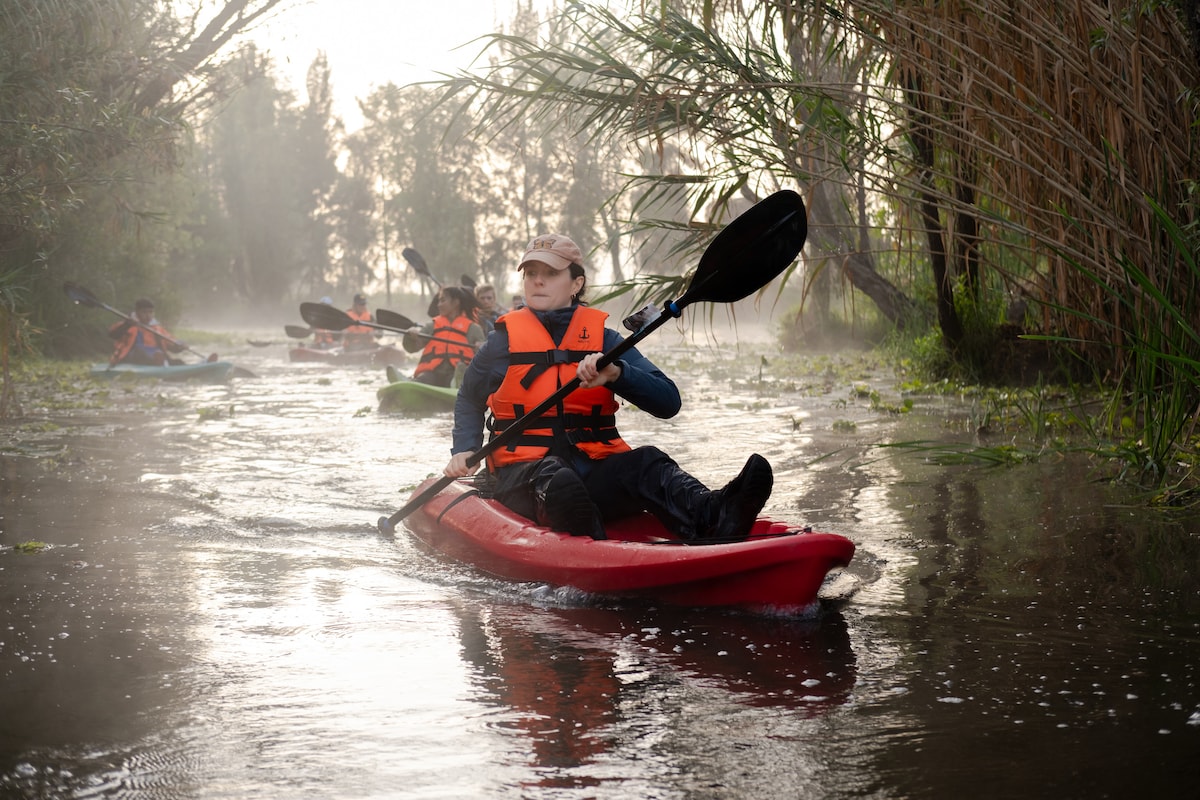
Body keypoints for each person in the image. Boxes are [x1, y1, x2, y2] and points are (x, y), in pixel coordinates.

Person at [442, 233, 773, 543]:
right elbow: (470, 399)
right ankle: (593, 545)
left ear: (576, 283)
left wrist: (617, 373)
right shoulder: (501, 343)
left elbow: (668, 401)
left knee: (648, 463)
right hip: (521, 478)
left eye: (551, 273)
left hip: (591, 473)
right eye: (531, 273)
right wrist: (465, 447)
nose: (538, 280)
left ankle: (716, 514)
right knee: (558, 480)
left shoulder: (605, 341)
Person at [403, 286, 485, 387]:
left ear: (456, 302)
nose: (438, 305)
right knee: (425, 378)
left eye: (442, 300)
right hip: (432, 372)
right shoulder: (432, 326)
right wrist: (410, 337)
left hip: (455, 372)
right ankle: (411, 383)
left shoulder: (474, 328)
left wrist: (482, 349)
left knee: (455, 379)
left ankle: (458, 384)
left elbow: (485, 359)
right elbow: (412, 348)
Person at [108, 298, 186, 366]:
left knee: (179, 362)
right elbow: (112, 334)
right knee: (140, 352)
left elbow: (171, 344)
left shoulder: (157, 328)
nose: (148, 315)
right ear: (137, 312)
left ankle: (159, 361)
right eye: (144, 312)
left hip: (157, 356)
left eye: (150, 312)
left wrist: (179, 346)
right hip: (131, 357)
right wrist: (127, 325)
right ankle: (156, 361)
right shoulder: (127, 325)